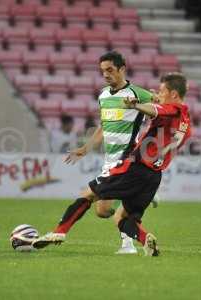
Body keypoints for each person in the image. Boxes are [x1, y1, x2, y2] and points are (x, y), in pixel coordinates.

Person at [31, 73, 192, 256]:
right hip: (154, 177)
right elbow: (167, 123)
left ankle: (59, 232)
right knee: (123, 218)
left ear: (173, 94)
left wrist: (136, 105)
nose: (159, 93)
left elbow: (157, 111)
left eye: (162, 91)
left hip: (135, 167)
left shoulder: (172, 108)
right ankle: (145, 239)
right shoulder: (186, 121)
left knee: (89, 194)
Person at [62, 51, 157, 254]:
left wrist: (156, 97)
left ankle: (128, 243)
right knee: (102, 211)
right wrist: (85, 148)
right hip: (110, 160)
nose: (105, 74)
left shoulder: (137, 93)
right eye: (103, 71)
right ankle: (133, 201)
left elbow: (160, 107)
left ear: (122, 69)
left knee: (92, 198)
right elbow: (103, 127)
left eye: (110, 70)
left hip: (129, 159)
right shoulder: (104, 96)